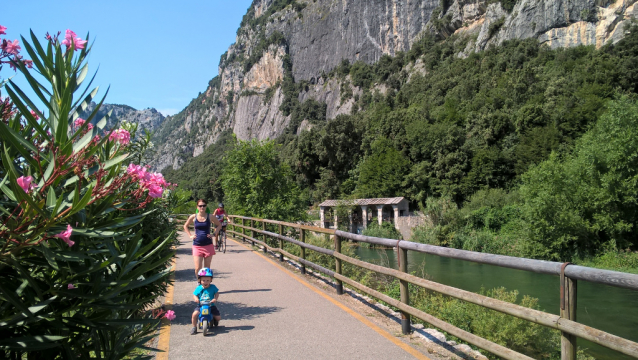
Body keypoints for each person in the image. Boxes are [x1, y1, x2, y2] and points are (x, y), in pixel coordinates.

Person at [183, 199, 223, 278]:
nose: (202, 207)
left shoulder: (210, 216)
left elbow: (219, 225)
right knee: (198, 268)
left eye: (204, 205)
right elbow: (185, 226)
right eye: (200, 206)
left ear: (206, 206)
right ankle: (199, 283)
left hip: (208, 245)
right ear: (197, 207)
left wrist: (214, 234)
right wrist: (190, 235)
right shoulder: (193, 216)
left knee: (206, 269)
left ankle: (206, 285)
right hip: (197, 245)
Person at [191, 267, 221, 335]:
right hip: (200, 305)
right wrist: (196, 299)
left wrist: (215, 299)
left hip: (211, 305)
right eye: (203, 280)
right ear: (200, 280)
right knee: (194, 314)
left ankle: (214, 319)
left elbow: (217, 293)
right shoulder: (199, 288)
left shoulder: (213, 287)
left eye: (208, 280)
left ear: (211, 280)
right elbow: (194, 294)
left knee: (218, 318)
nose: (205, 282)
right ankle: (194, 327)